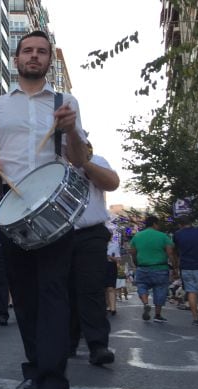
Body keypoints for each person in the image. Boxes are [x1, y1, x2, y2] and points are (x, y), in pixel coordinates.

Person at [0, 30, 90, 389]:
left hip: (53, 202)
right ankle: (36, 368)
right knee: (23, 294)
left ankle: (53, 385)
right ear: (17, 59)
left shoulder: (64, 102)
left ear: (48, 61)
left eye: (41, 52)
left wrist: (70, 128)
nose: (35, 56)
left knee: (53, 291)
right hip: (11, 201)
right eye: (28, 51)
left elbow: (79, 156)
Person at [67, 143, 119, 366]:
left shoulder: (96, 160)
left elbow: (112, 183)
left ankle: (97, 345)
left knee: (91, 290)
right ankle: (66, 342)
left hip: (91, 233)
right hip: (58, 235)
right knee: (62, 291)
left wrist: (83, 163)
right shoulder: (49, 164)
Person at [128, 216, 176, 324]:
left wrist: (136, 264)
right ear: (155, 224)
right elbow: (170, 253)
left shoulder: (137, 236)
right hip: (160, 268)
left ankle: (146, 304)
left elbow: (133, 253)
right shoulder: (163, 236)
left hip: (142, 268)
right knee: (160, 290)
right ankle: (158, 315)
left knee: (142, 286)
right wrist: (174, 267)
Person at [173, 216, 198, 326]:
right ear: (191, 222)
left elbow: (175, 249)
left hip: (186, 266)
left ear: (180, 224)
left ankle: (196, 319)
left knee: (191, 291)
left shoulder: (177, 234)